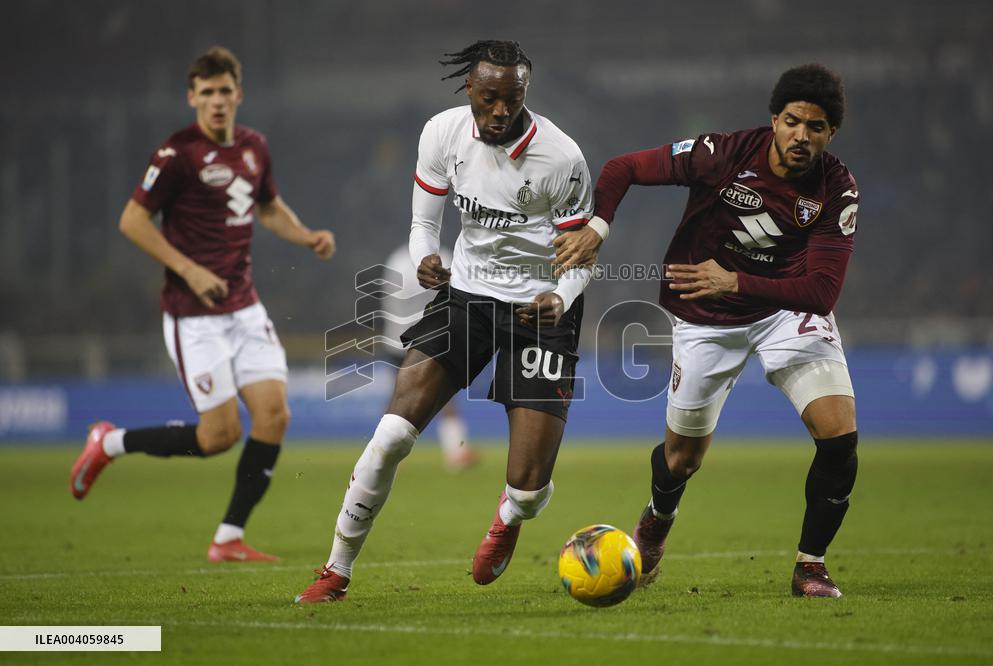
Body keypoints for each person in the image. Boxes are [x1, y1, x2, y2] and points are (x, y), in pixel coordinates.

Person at [295, 40, 601, 603]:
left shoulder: (562, 158)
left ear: (525, 92)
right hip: (467, 298)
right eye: (489, 99)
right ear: (470, 90)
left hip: (541, 311)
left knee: (529, 491)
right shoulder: (442, 133)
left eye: (512, 99)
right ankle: (336, 571)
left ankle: (508, 517)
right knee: (391, 435)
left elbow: (582, 255)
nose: (500, 111)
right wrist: (424, 258)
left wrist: (562, 295)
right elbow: (423, 223)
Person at [558, 64, 860, 598]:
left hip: (785, 312)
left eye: (815, 127)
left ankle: (810, 566)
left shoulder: (836, 188)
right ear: (775, 120)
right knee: (682, 459)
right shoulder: (722, 154)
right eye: (793, 122)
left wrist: (735, 279)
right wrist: (598, 227)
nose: (801, 136)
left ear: (830, 133)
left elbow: (821, 292)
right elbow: (623, 167)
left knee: (839, 438)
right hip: (705, 316)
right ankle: (658, 517)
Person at [69, 46, 335, 562]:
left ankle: (228, 537)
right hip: (193, 317)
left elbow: (268, 207)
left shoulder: (254, 147)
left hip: (245, 308)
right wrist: (189, 270)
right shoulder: (177, 154)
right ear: (192, 97)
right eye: (207, 92)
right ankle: (109, 442)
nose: (217, 101)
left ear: (239, 95)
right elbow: (132, 220)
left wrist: (305, 236)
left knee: (274, 416)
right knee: (219, 437)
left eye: (224, 91)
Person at [381, 244, 478, 471]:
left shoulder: (396, 260)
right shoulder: (444, 257)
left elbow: (389, 301)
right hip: (427, 336)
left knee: (399, 397)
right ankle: (455, 451)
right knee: (442, 396)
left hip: (397, 338)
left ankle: (383, 454)